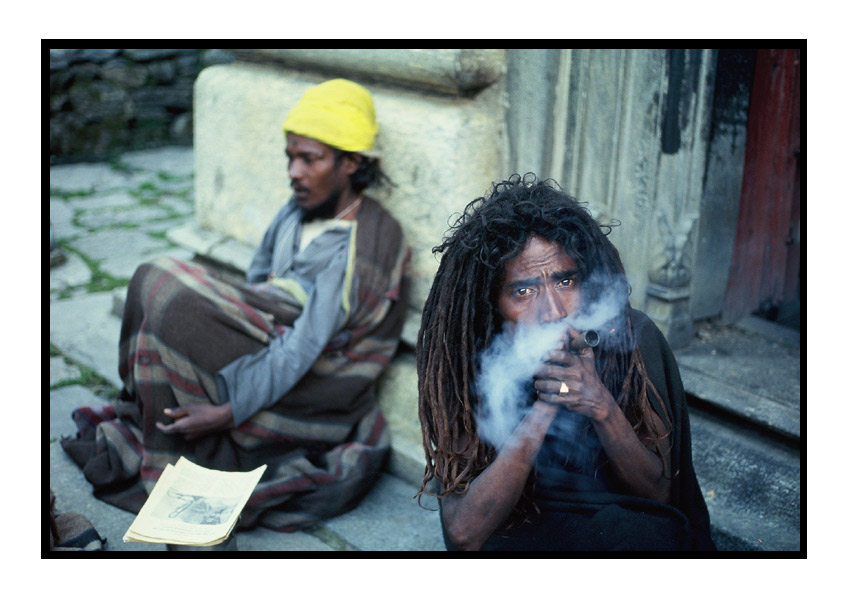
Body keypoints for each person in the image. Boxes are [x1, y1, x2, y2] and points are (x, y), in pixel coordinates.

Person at [62, 79, 410, 534]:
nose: (294, 171)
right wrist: (229, 319)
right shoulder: (297, 210)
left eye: (310, 158)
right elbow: (258, 278)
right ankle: (165, 407)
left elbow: (305, 346)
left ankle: (193, 429)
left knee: (168, 288)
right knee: (153, 279)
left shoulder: (363, 245)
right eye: (291, 156)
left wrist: (228, 413)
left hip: (307, 371)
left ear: (350, 163)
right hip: (260, 326)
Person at [416, 174, 715, 551]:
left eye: (564, 281)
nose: (554, 311)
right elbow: (464, 533)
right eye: (524, 291)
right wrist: (544, 408)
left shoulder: (630, 338)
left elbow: (659, 495)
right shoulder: (471, 358)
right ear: (492, 302)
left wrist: (599, 405)